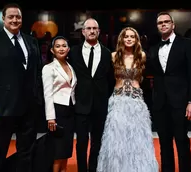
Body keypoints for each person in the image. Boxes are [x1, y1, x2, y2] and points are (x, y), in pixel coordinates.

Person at [0, 3, 43, 172]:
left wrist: (38, 98)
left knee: (27, 151)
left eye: (18, 17)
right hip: (3, 105)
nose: (15, 20)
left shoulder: (31, 41)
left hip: (29, 106)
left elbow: (37, 72)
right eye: (11, 17)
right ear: (3, 19)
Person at [96, 27, 159, 172]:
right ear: (121, 39)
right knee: (116, 139)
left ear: (137, 40)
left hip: (136, 102)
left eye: (132, 37)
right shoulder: (113, 56)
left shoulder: (141, 56)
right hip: (118, 101)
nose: (129, 39)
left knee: (137, 140)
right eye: (126, 37)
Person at [148, 12, 191, 172]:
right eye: (160, 23)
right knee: (164, 143)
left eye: (166, 22)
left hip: (181, 102)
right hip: (161, 103)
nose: (163, 24)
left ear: (173, 24)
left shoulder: (186, 44)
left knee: (182, 142)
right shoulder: (154, 48)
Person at [68, 18, 115, 172]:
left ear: (99, 31)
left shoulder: (108, 53)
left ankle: (93, 168)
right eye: (88, 28)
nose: (92, 31)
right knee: (81, 142)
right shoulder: (73, 52)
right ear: (83, 31)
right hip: (80, 104)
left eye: (95, 28)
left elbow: (110, 79)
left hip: (100, 105)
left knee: (97, 142)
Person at [42, 36, 77, 172]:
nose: (61, 48)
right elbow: (47, 93)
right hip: (57, 111)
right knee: (57, 150)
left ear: (68, 49)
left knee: (66, 149)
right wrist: (51, 117)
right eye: (57, 46)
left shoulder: (70, 66)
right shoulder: (48, 68)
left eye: (64, 46)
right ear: (52, 50)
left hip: (70, 109)